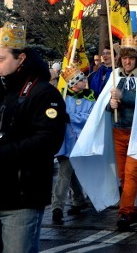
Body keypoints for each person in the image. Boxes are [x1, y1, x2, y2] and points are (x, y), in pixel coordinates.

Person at [0, 22, 67, 252]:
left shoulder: (43, 93)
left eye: (0, 59)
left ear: (20, 59)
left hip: (21, 199)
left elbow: (47, 141)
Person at [71, 36, 137, 232]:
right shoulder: (115, 77)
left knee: (131, 173)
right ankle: (134, 210)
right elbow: (103, 103)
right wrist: (109, 105)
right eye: (124, 58)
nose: (127, 62)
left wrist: (123, 97)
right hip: (118, 132)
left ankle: (124, 212)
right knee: (122, 175)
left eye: (131, 58)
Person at [51, 65, 94, 224]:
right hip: (65, 141)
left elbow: (91, 116)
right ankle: (61, 206)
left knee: (68, 172)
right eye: (82, 80)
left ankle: (68, 203)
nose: (85, 81)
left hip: (80, 141)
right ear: (74, 83)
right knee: (66, 172)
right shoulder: (63, 96)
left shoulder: (89, 97)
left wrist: (71, 117)